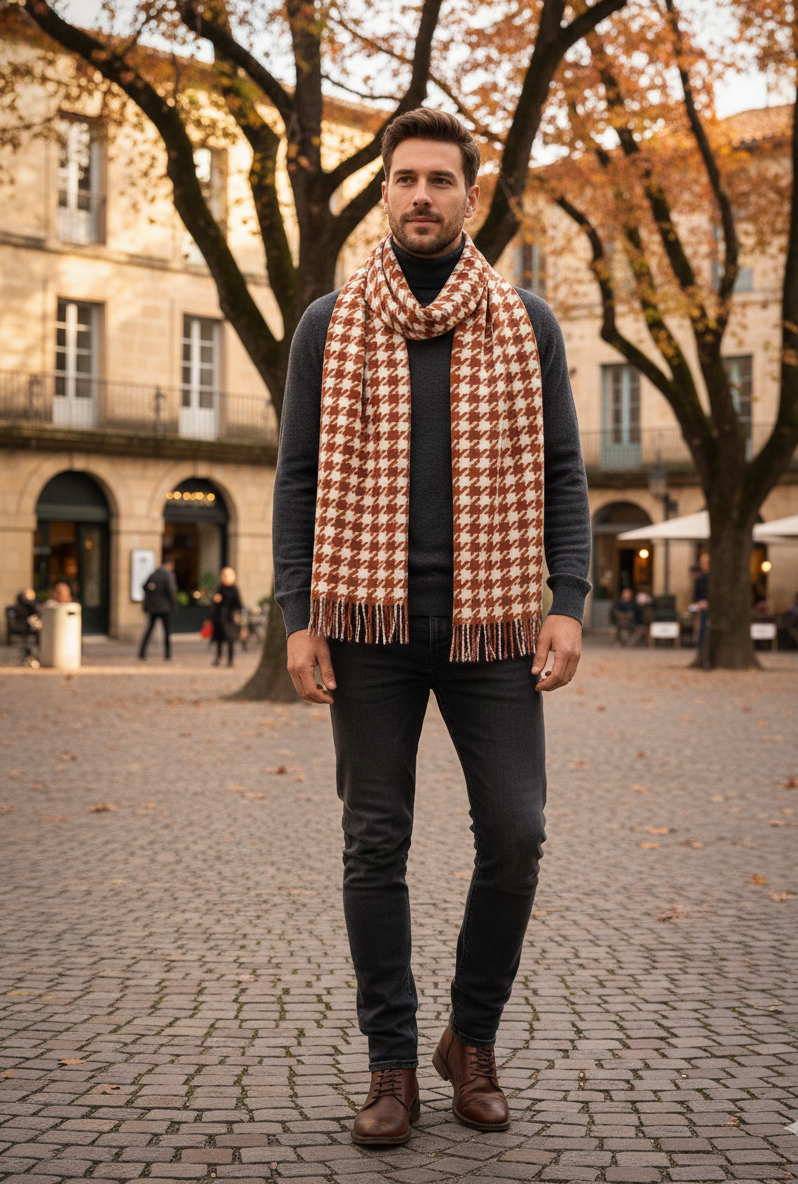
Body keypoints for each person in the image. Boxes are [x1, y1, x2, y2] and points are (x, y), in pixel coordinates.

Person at [272, 109, 591, 1145]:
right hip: (366, 624)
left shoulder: (525, 321)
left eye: (440, 180)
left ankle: (475, 1038)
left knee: (516, 832)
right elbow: (297, 479)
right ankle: (394, 1065)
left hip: (495, 621)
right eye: (404, 177)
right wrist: (298, 616)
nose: (420, 194)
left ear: (470, 194)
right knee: (376, 842)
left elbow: (563, 472)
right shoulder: (329, 320)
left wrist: (570, 598)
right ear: (384, 193)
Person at [138, 559, 178, 661]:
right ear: (169, 565)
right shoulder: (168, 575)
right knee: (166, 632)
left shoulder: (153, 575)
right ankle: (168, 655)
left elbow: (144, 586)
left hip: (153, 607)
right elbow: (171, 591)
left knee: (149, 630)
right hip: (164, 608)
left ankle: (142, 653)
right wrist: (173, 604)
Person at [209, 566, 243, 667]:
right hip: (219, 618)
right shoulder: (220, 588)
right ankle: (218, 658)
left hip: (229, 618)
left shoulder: (234, 589)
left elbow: (238, 604)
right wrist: (216, 599)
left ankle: (230, 660)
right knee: (219, 640)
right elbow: (214, 602)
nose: (223, 578)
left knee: (230, 640)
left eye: (225, 576)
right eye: (222, 576)